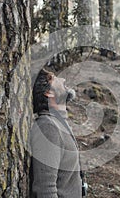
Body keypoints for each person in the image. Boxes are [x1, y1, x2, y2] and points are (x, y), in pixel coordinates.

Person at [30, 68, 83, 198]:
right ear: (48, 93)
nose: (63, 79)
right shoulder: (48, 127)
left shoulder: (58, 123)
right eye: (54, 78)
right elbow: (45, 189)